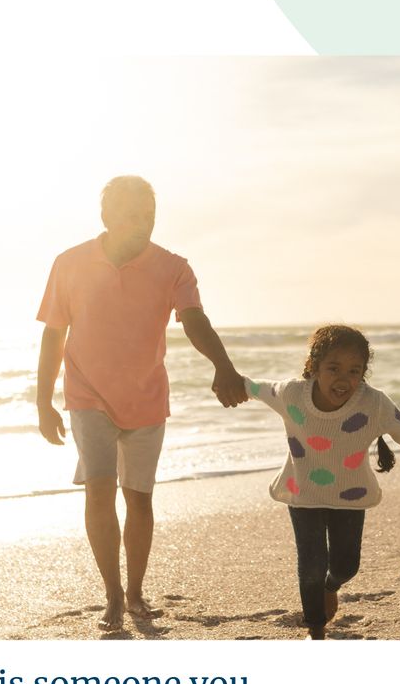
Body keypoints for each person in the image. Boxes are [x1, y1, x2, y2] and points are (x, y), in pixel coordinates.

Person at [35, 175, 247, 630]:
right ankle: (112, 595)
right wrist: (43, 401)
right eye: (130, 215)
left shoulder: (173, 267)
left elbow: (194, 320)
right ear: (106, 217)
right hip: (87, 393)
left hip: (147, 397)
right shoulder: (69, 263)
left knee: (140, 500)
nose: (141, 224)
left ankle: (135, 592)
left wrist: (223, 366)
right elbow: (54, 334)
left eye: (148, 216)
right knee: (98, 489)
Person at [242, 324, 400, 639]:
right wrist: (233, 383)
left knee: (347, 566)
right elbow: (258, 387)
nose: (343, 378)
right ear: (314, 367)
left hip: (350, 495)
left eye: (354, 370)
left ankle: (330, 586)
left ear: (363, 374)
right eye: (333, 368)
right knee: (311, 563)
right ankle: (315, 629)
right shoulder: (293, 393)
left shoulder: (373, 404)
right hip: (303, 493)